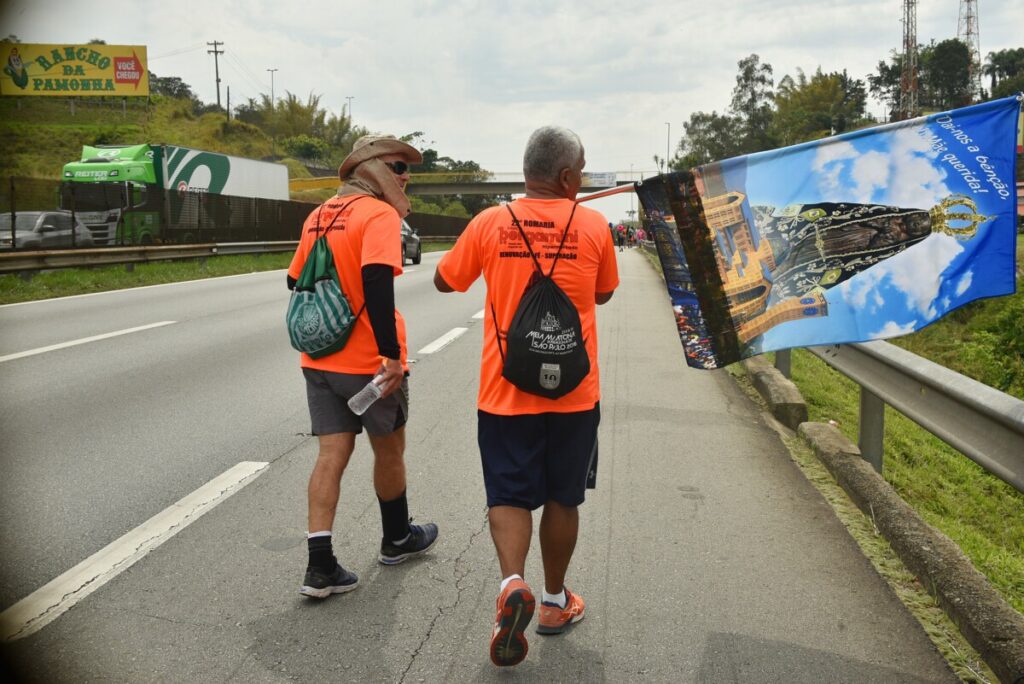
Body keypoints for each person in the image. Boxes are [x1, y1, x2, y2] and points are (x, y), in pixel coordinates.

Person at [433, 126, 619, 667]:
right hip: (575, 394)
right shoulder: (593, 224)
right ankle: (556, 602)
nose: (582, 180)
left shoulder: (491, 222)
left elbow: (447, 282)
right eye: (581, 171)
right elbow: (604, 291)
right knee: (564, 496)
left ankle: (512, 583)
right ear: (566, 177)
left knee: (509, 495)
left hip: (504, 391)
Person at [288, 135, 439, 599]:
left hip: (318, 360)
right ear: (371, 168)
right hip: (368, 365)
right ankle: (396, 539)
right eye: (397, 166)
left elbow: (295, 278)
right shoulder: (378, 215)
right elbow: (377, 282)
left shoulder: (319, 214)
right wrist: (391, 356)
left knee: (330, 456)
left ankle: (320, 566)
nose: (405, 175)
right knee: (390, 450)